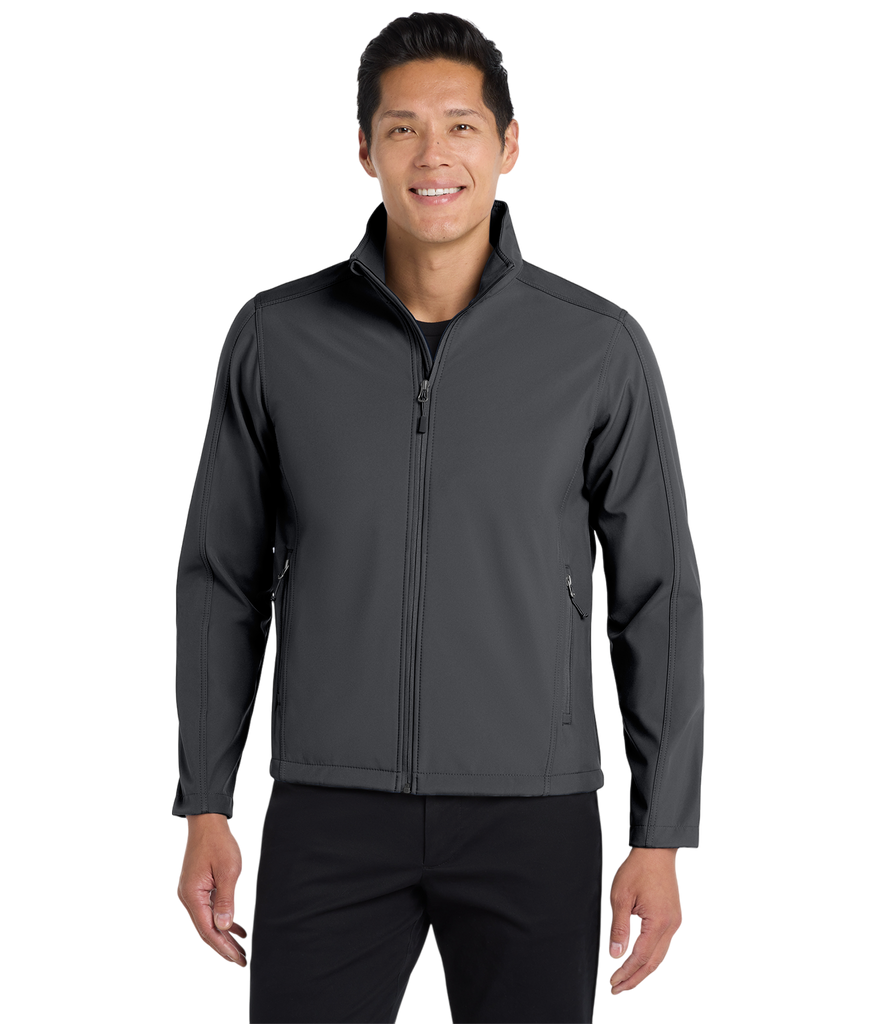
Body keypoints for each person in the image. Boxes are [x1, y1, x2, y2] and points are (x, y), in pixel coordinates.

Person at [171, 10, 705, 1022]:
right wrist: (204, 800)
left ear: (510, 145)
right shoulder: (275, 335)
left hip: (532, 812)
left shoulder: (598, 345)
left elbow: (659, 597)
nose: (432, 155)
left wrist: (661, 833)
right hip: (329, 806)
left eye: (461, 126)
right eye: (402, 128)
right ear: (363, 151)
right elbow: (219, 581)